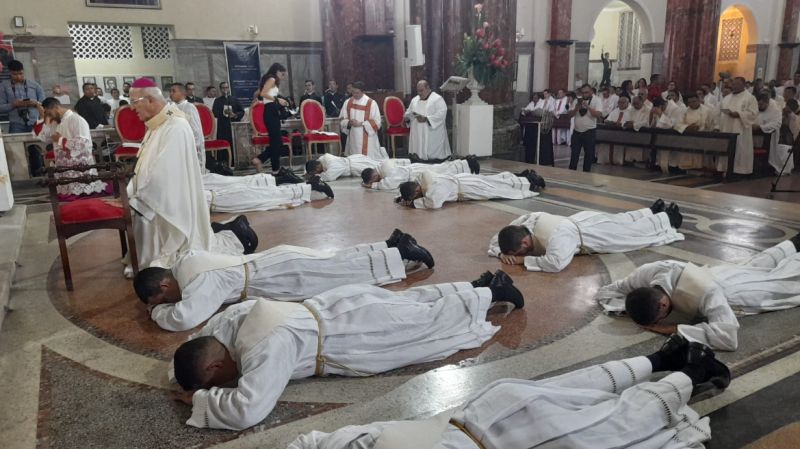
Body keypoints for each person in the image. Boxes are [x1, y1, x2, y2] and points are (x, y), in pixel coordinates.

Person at [170, 270, 525, 430]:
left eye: (216, 383)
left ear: (216, 365)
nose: (224, 386)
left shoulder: (264, 347)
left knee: (424, 324)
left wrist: (202, 401)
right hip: (339, 303)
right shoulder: (232, 320)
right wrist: (182, 374)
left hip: (354, 333)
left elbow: (248, 410)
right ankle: (475, 286)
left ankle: (493, 295)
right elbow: (196, 341)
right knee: (412, 303)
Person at [287, 338, 730, 449]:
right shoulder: (348, 444)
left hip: (510, 439)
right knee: (576, 390)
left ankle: (688, 372)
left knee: (614, 427)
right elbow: (307, 441)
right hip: (482, 410)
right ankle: (663, 360)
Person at [134, 229, 434, 331]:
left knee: (344, 273)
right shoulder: (185, 261)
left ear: (163, 285)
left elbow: (185, 318)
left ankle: (400, 255)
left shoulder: (199, 283)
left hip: (282, 277)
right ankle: (388, 245)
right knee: (335, 261)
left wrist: (156, 312)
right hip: (275, 262)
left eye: (162, 299)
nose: (167, 303)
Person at [114, 78, 255, 271]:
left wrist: (134, 199)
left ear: (149, 100)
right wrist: (129, 193)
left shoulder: (176, 126)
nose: (131, 108)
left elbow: (163, 174)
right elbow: (145, 167)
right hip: (150, 199)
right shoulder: (157, 124)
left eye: (134, 102)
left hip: (168, 205)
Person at [596, 236, 800, 351]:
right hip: (720, 273)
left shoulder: (705, 293)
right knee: (758, 263)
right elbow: (608, 290)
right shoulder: (649, 272)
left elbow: (728, 338)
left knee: (783, 280)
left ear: (663, 306)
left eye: (659, 318)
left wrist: (669, 328)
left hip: (737, 292)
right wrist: (625, 309)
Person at [489, 199, 684, 273]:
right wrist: (500, 254)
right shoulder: (529, 221)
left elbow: (556, 263)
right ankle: (650, 211)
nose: (518, 255)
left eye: (518, 251)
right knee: (621, 220)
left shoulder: (556, 238)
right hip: (583, 220)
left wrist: (524, 261)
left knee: (631, 233)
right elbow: (498, 236)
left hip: (593, 234)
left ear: (524, 241)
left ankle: (668, 218)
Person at [32, 97, 107, 199]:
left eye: (49, 114)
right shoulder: (55, 122)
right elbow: (43, 137)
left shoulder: (76, 119)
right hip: (63, 166)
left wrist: (60, 140)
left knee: (82, 197)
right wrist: (42, 117)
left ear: (56, 107)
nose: (48, 117)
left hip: (79, 166)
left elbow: (83, 143)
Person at [396, 170, 544, 210]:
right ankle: (525, 178)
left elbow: (434, 203)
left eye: (415, 197)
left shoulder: (434, 188)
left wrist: (414, 204)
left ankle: (530, 182)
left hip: (469, 188)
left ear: (416, 192)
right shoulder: (423, 178)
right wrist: (402, 198)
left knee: (499, 190)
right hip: (464, 180)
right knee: (496, 180)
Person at [250, 63, 289, 174]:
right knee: (277, 143)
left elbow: (261, 93)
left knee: (275, 143)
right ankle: (260, 159)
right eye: (282, 74)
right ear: (277, 71)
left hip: (271, 111)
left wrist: (279, 100)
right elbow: (263, 93)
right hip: (271, 111)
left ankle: (275, 170)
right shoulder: (271, 79)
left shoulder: (270, 80)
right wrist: (278, 100)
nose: (283, 77)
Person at [362, 156, 479, 190]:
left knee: (444, 170)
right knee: (443, 167)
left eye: (374, 180)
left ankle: (468, 164)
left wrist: (373, 185)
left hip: (416, 172)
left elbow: (389, 184)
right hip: (415, 168)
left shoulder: (387, 172)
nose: (377, 181)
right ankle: (465, 163)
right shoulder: (383, 164)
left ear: (374, 176)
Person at [719, 77, 759, 175]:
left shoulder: (750, 98)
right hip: (727, 127)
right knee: (726, 148)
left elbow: (753, 114)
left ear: (744, 85)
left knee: (739, 149)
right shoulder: (727, 97)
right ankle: (725, 169)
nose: (735, 86)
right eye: (734, 84)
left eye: (737, 84)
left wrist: (738, 114)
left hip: (741, 129)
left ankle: (740, 171)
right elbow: (721, 110)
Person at [405, 80, 451, 161]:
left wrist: (426, 119)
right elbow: (409, 112)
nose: (419, 93)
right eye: (418, 91)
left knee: (433, 157)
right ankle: (418, 158)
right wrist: (407, 117)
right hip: (417, 131)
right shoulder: (414, 100)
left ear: (428, 88)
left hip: (432, 131)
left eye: (421, 90)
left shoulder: (437, 99)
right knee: (418, 155)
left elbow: (442, 113)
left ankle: (434, 160)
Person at [339, 81, 384, 159]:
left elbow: (377, 122)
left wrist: (361, 124)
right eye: (353, 92)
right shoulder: (348, 102)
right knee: (354, 159)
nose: (354, 95)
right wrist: (349, 122)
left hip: (368, 137)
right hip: (353, 135)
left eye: (357, 93)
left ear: (363, 92)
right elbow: (342, 119)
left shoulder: (371, 103)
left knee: (368, 160)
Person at [0, 60, 46, 133]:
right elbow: (1, 107)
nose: (18, 76)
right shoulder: (3, 86)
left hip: (35, 122)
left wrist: (36, 103)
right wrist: (14, 104)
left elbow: (45, 104)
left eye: (21, 73)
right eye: (14, 74)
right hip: (16, 124)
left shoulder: (35, 85)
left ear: (23, 71)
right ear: (9, 72)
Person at [169, 82, 206, 172]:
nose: (170, 94)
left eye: (173, 91)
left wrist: (193, 146)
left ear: (183, 93)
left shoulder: (189, 107)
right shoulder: (170, 107)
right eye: (170, 91)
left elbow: (196, 130)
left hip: (187, 145)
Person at [754, 92, 794, 175]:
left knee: (768, 154)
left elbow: (776, 123)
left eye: (761, 105)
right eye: (758, 104)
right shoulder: (757, 108)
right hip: (755, 135)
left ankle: (766, 169)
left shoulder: (775, 110)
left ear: (767, 103)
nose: (759, 107)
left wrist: (761, 127)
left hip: (770, 137)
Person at [568, 84, 603, 172]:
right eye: (583, 93)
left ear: (591, 91)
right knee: (574, 154)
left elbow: (598, 115)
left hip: (589, 132)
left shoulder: (597, 100)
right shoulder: (577, 100)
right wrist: (576, 108)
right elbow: (569, 115)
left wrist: (588, 107)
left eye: (586, 92)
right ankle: (571, 174)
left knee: (588, 155)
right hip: (577, 131)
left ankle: (586, 175)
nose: (584, 95)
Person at [305, 152, 394, 182]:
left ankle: (398, 165)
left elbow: (329, 177)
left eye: (315, 172)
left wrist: (316, 177)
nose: (317, 173)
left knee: (379, 167)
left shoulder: (332, 163)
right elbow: (312, 166)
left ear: (317, 169)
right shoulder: (323, 159)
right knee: (378, 163)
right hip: (354, 160)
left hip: (356, 165)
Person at [596, 95, 631, 165]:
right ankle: (604, 160)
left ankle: (619, 161)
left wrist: (621, 124)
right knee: (604, 143)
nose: (620, 104)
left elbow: (630, 122)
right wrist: (610, 122)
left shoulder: (631, 111)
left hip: (624, 134)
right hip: (611, 133)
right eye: (619, 102)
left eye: (623, 102)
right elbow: (607, 120)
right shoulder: (615, 110)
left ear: (627, 103)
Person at [211, 81, 243, 153]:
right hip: (223, 126)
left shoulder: (234, 99)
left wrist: (235, 115)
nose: (225, 89)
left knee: (234, 144)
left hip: (234, 126)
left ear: (228, 88)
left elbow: (241, 111)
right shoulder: (217, 100)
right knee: (223, 145)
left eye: (226, 87)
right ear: (220, 89)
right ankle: (224, 161)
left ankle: (234, 162)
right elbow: (214, 113)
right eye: (223, 88)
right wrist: (223, 113)